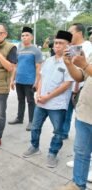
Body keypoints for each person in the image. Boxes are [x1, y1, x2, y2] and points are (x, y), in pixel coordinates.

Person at [22, 31, 74, 168]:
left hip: (57, 105)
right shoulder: (49, 61)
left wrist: (48, 97)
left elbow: (67, 84)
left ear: (68, 45)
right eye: (56, 43)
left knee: (58, 131)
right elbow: (42, 78)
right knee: (35, 126)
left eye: (61, 43)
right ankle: (34, 147)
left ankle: (53, 153)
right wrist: (38, 94)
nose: (57, 45)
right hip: (41, 102)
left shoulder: (70, 63)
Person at [58, 43, 92, 190]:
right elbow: (80, 77)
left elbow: (86, 68)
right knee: (81, 152)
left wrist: (84, 65)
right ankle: (78, 185)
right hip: (85, 113)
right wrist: (70, 65)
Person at [8, 27, 42, 131]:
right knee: (20, 100)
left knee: (31, 101)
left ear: (31, 37)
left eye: (27, 35)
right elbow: (16, 66)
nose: (24, 37)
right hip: (19, 80)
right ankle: (19, 118)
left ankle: (32, 121)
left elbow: (38, 67)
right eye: (22, 35)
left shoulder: (35, 50)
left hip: (30, 81)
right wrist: (12, 80)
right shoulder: (19, 50)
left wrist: (37, 81)